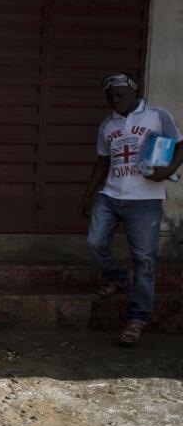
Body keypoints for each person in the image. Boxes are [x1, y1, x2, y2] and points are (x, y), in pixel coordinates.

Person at [78, 72, 182, 346]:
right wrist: (89, 195)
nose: (115, 99)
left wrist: (170, 170)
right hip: (111, 194)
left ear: (135, 93)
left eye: (121, 94)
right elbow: (102, 161)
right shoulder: (107, 125)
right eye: (111, 96)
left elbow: (179, 144)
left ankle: (137, 320)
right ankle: (117, 276)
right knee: (94, 243)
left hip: (145, 200)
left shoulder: (158, 116)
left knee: (144, 261)